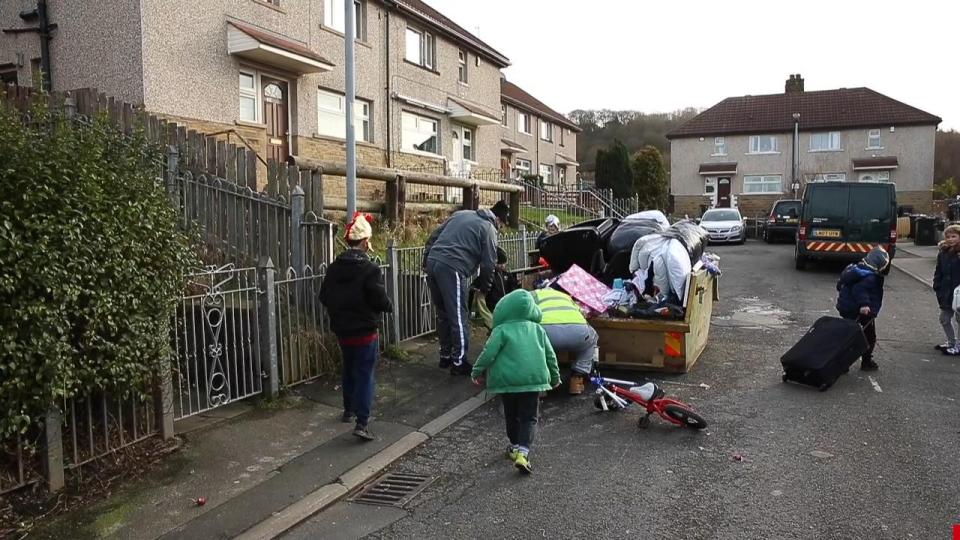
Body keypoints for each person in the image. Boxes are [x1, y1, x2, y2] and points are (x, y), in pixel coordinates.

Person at [319, 213, 393, 441]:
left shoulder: (334, 268)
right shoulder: (370, 269)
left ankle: (348, 410)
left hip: (342, 330)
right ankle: (362, 421)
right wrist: (387, 306)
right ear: (364, 242)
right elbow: (379, 299)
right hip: (365, 331)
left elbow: (324, 296)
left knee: (349, 368)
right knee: (365, 374)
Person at [471, 289, 560, 475]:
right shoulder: (538, 329)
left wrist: (477, 371)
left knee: (511, 415)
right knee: (529, 417)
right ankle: (523, 453)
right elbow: (550, 355)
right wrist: (555, 377)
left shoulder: (501, 330)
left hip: (507, 381)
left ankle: (513, 446)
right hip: (532, 380)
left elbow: (488, 353)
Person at [423, 201, 510, 375]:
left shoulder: (461, 214)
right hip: (453, 267)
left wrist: (426, 259)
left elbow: (434, 236)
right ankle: (459, 361)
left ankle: (445, 355)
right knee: (458, 315)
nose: (500, 229)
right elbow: (488, 264)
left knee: (442, 314)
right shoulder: (489, 229)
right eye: (502, 226)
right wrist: (484, 288)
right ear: (499, 220)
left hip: (433, 262)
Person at [531, 287, 598, 395]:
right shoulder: (565, 296)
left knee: (533, 344)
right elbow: (583, 313)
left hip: (547, 332)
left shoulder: (532, 295)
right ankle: (578, 378)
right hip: (578, 331)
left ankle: (541, 385)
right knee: (592, 339)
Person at [835, 246, 890, 371]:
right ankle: (866, 361)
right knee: (869, 336)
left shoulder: (854, 269)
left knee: (847, 335)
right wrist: (864, 304)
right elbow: (859, 289)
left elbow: (840, 285)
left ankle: (842, 362)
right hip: (861, 310)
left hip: (846, 307)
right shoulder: (870, 276)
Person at [933, 224, 960, 356]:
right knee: (944, 318)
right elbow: (939, 271)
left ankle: (958, 346)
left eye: (954, 236)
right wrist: (937, 285)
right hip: (947, 291)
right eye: (948, 236)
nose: (950, 239)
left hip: (959, 292)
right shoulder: (943, 253)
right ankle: (951, 342)